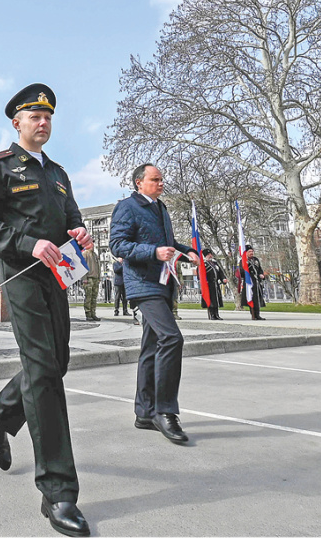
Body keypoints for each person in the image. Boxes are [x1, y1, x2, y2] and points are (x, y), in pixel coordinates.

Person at [0, 83, 93, 538]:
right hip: (21, 274)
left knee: (56, 362)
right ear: (17, 123)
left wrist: (79, 232)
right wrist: (28, 243)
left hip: (58, 274)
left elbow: (71, 216)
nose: (43, 123)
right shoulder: (0, 166)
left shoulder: (57, 173)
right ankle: (58, 491)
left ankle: (0, 412)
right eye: (34, 117)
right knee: (42, 371)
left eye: (48, 117)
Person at [109, 163, 199, 445]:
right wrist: (154, 252)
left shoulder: (160, 207)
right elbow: (118, 245)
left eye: (162, 179)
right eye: (155, 179)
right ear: (139, 182)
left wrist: (187, 251)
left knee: (151, 346)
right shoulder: (127, 207)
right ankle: (165, 411)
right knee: (172, 338)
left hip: (163, 283)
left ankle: (145, 413)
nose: (161, 183)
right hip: (142, 283)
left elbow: (166, 242)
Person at [239, 245, 266, 320]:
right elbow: (241, 272)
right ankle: (253, 315)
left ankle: (258, 315)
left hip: (257, 282)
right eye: (249, 251)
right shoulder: (243, 261)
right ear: (246, 253)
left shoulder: (255, 260)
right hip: (249, 283)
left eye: (252, 251)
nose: (251, 253)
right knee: (251, 298)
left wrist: (261, 274)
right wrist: (246, 265)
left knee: (257, 299)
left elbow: (259, 269)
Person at [202, 249, 227, 320]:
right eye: (208, 254)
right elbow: (201, 274)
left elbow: (220, 272)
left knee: (216, 299)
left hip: (216, 284)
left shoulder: (215, 263)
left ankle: (216, 314)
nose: (210, 255)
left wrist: (223, 279)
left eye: (211, 254)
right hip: (208, 285)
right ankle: (212, 314)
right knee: (211, 300)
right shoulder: (203, 264)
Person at [82, 246, 101, 322]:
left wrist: (99, 277)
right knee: (88, 297)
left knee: (94, 297)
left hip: (95, 278)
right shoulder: (85, 254)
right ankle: (88, 314)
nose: (92, 245)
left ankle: (93, 313)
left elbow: (98, 266)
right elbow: (83, 266)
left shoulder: (95, 254)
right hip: (88, 278)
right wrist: (84, 278)